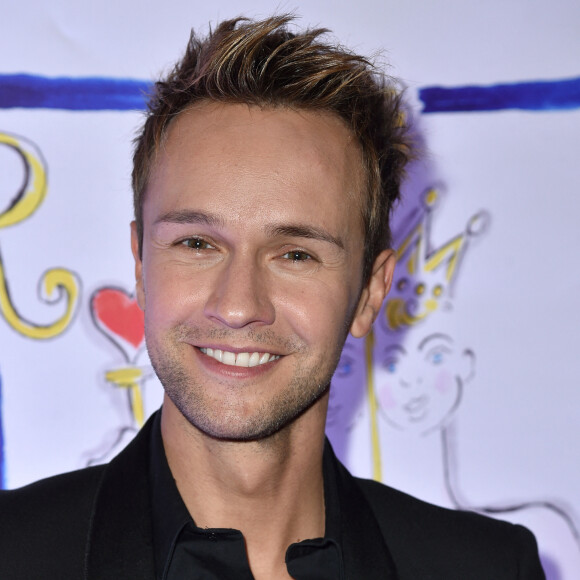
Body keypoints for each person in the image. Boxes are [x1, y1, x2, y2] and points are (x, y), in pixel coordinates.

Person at [0, 15, 545, 579]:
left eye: (295, 254)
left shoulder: (488, 567)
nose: (238, 306)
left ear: (369, 292)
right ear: (141, 264)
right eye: (197, 243)